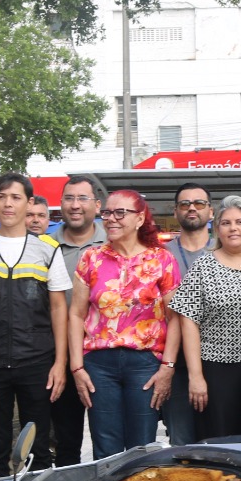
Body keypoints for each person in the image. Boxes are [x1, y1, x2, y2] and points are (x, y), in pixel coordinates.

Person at [0, 173, 68, 478]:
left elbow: (59, 307)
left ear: (29, 202)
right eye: (2, 197)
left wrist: (60, 362)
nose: (8, 204)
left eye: (16, 197)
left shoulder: (47, 251)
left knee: (38, 447)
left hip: (36, 361)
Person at [71, 190, 180, 458]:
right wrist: (76, 367)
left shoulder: (161, 259)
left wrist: (168, 367)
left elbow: (174, 317)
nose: (111, 219)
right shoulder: (91, 258)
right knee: (105, 448)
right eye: (107, 213)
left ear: (140, 218)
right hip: (99, 365)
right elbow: (75, 314)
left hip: (144, 365)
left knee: (141, 448)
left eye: (120, 213)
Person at [173, 196, 241, 440]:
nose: (233, 228)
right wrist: (196, 376)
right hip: (215, 371)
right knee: (219, 441)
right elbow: (188, 320)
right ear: (217, 229)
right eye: (225, 223)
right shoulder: (203, 266)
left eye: (240, 222)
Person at [51, 175, 107, 465]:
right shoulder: (45, 247)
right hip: (59, 355)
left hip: (105, 356)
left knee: (108, 441)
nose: (75, 205)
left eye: (82, 198)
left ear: (97, 206)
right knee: (65, 441)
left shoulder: (112, 244)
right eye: (69, 198)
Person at [162, 183, 214, 446]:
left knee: (220, 440)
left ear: (211, 211)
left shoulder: (224, 249)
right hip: (177, 363)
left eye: (199, 203)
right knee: (182, 443)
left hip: (220, 361)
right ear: (176, 211)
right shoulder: (161, 255)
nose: (192, 208)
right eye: (185, 204)